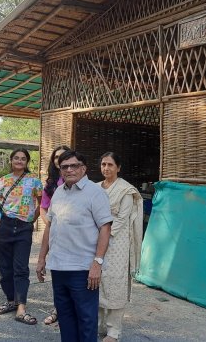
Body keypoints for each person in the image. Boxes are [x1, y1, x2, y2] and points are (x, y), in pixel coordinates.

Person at [36, 150, 113, 341]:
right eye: (64, 167)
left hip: (83, 269)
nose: (69, 170)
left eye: (74, 165)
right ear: (60, 170)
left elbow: (105, 228)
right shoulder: (59, 193)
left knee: (86, 320)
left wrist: (97, 262)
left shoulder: (95, 193)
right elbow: (50, 226)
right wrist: (41, 258)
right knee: (65, 318)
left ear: (83, 168)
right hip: (59, 266)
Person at [0, 148, 43, 325]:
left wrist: (30, 222)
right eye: (16, 158)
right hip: (4, 226)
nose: (19, 161)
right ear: (11, 160)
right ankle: (11, 300)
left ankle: (21, 308)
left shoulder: (34, 180)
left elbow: (40, 204)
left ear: (27, 162)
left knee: (20, 268)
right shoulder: (4, 180)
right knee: (5, 268)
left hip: (23, 228)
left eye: (23, 159)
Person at [96, 152, 144, 342]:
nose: (106, 168)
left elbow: (122, 219)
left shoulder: (126, 190)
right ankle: (97, 325)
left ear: (118, 167)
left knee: (115, 283)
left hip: (117, 242)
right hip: (96, 239)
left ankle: (113, 331)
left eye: (110, 165)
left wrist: (102, 235)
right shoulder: (95, 188)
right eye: (103, 164)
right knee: (96, 281)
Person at [40, 145, 71, 326]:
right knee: (57, 272)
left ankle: (68, 309)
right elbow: (44, 208)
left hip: (75, 236)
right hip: (55, 234)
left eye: (63, 156)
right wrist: (50, 226)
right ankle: (58, 309)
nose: (60, 160)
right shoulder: (51, 184)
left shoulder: (77, 180)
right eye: (57, 157)